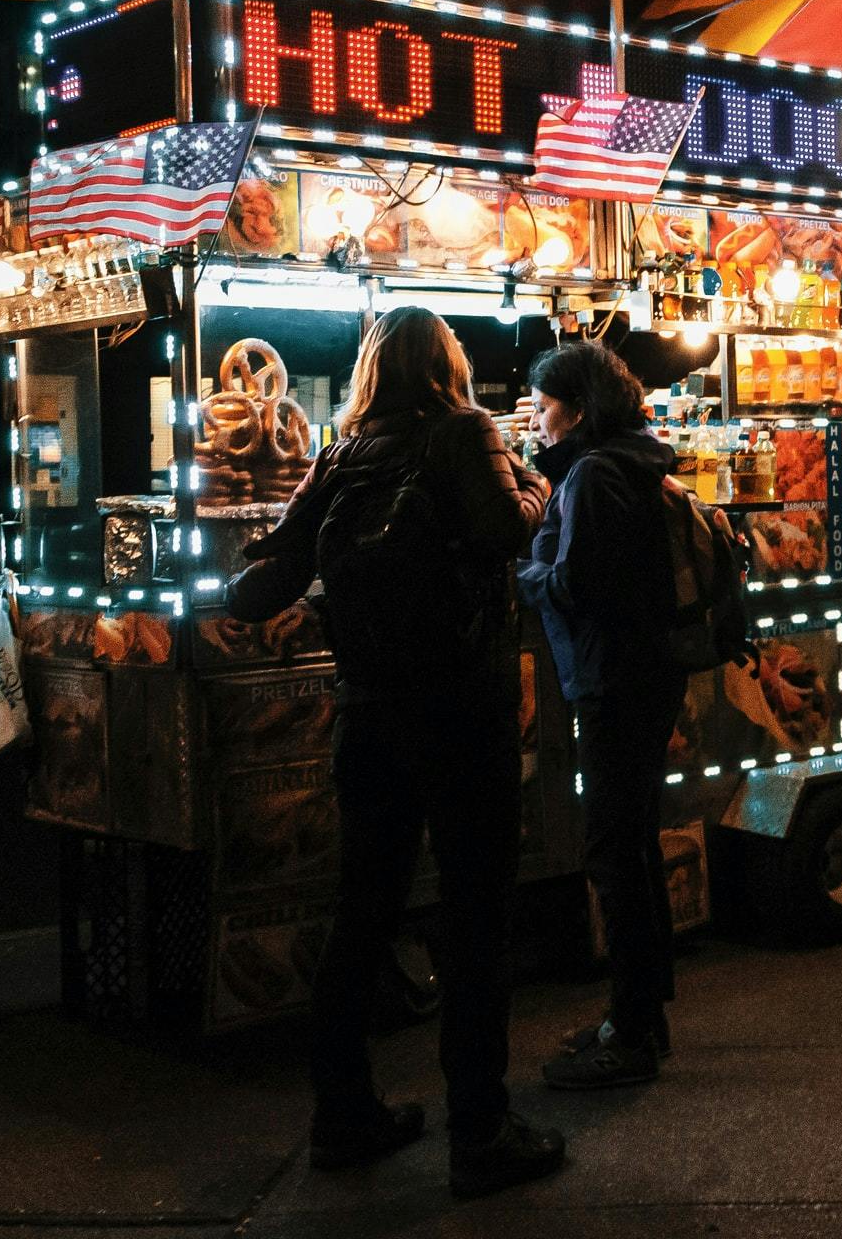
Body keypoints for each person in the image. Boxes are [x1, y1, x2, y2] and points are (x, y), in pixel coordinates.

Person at [228, 306, 564, 1200]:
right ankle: (480, 1131)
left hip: (369, 716)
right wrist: (534, 488)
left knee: (362, 914)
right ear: (445, 365)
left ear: (372, 371)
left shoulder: (338, 458)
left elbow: (265, 582)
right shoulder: (467, 432)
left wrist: (211, 579)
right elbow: (504, 531)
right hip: (462, 711)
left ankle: (343, 1117)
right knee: (473, 916)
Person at [516, 340, 687, 1089]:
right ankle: (639, 1016)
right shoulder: (634, 461)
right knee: (635, 846)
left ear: (579, 408)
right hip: (646, 675)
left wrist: (523, 574)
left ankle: (634, 1035)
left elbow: (577, 585)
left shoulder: (592, 474)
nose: (541, 422)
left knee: (614, 853)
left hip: (612, 679)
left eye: (548, 407)